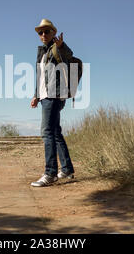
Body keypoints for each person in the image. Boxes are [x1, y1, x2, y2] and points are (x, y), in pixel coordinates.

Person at [30, 18, 75, 187]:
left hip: (54, 95)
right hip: (45, 96)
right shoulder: (42, 52)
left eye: (46, 31)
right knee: (55, 132)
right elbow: (41, 76)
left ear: (53, 33)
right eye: (40, 32)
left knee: (47, 132)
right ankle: (67, 169)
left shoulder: (58, 48)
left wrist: (62, 45)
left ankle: (50, 173)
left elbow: (68, 56)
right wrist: (36, 95)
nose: (43, 34)